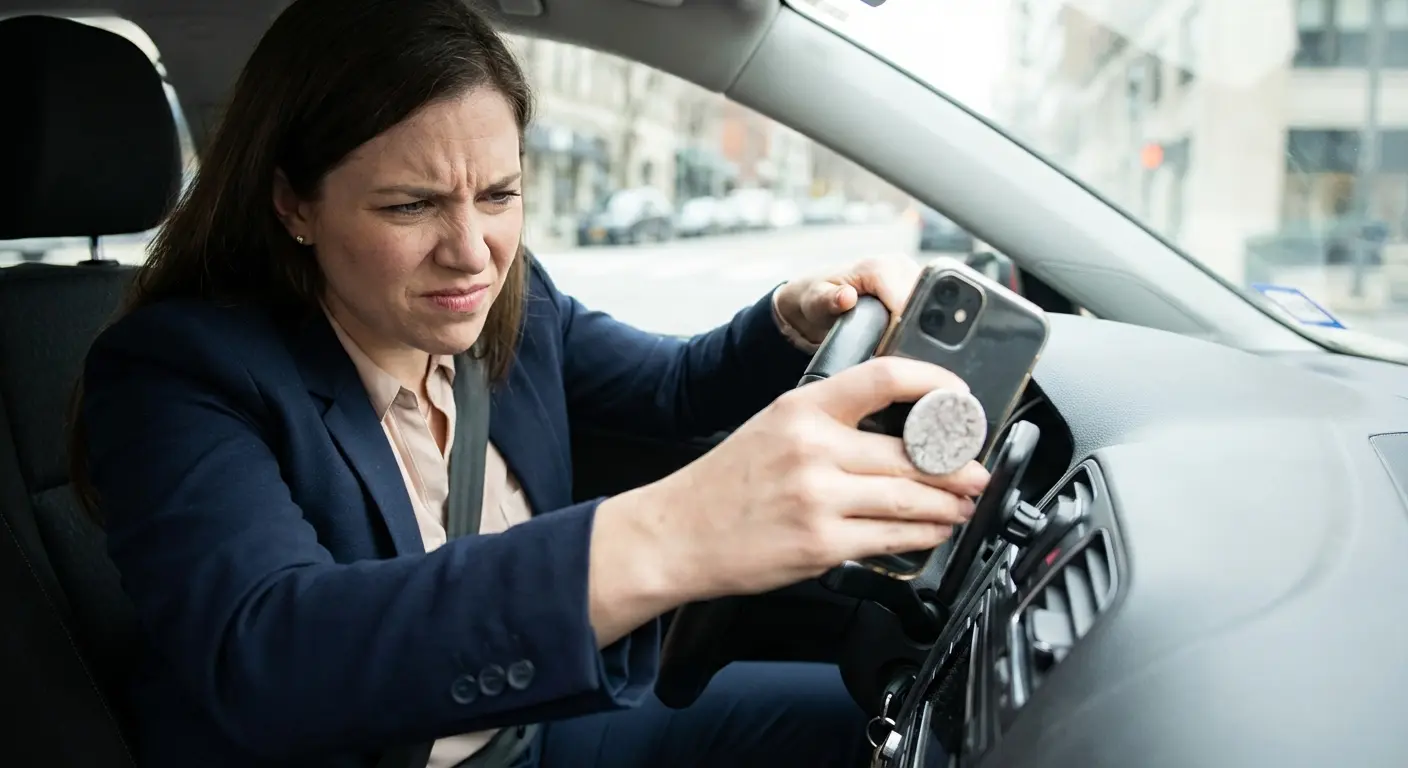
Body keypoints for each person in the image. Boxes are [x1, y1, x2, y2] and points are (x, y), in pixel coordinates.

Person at [72, 0, 988, 766]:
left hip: (535, 728)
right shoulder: (176, 372)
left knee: (892, 735)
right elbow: (268, 653)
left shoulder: (513, 303)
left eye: (500, 196)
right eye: (410, 204)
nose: (473, 254)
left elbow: (669, 389)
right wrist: (678, 532)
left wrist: (790, 319)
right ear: (293, 204)